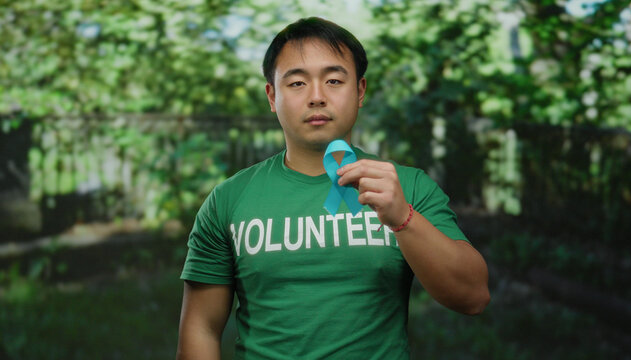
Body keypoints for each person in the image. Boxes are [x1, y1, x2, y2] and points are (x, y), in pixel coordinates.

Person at [176, 17, 490, 360]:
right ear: (272, 96)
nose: (316, 97)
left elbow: (473, 297)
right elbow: (201, 329)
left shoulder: (408, 187)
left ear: (359, 91)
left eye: (334, 80)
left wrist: (402, 218)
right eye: (296, 83)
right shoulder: (229, 199)